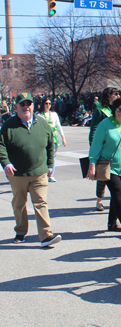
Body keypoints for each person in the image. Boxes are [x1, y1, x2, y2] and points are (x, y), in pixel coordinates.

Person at [0, 92, 61, 247]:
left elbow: (50, 145)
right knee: (19, 204)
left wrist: (49, 164)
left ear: (33, 105)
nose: (26, 107)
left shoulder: (42, 123)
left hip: (39, 172)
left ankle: (46, 236)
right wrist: (6, 163)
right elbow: (1, 147)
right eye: (23, 104)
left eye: (29, 104)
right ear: (16, 107)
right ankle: (21, 232)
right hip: (17, 174)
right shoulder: (8, 125)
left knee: (41, 203)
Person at [87, 97, 121, 235]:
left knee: (118, 196)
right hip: (109, 167)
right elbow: (96, 145)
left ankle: (111, 223)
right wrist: (92, 164)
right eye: (119, 109)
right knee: (119, 194)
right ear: (114, 110)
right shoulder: (105, 124)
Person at [89, 88, 120, 212]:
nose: (118, 96)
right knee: (102, 174)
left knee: (120, 175)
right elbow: (94, 129)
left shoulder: (118, 109)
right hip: (104, 146)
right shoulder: (100, 111)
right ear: (108, 96)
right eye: (115, 94)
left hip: (117, 146)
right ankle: (99, 201)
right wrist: (93, 147)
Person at [37, 97, 66, 182]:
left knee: (52, 157)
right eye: (46, 103)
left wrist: (63, 138)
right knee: (43, 157)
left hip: (53, 139)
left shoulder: (54, 114)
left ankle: (51, 175)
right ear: (43, 104)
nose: (48, 105)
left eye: (49, 103)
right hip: (42, 139)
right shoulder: (38, 115)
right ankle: (42, 174)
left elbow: (58, 126)